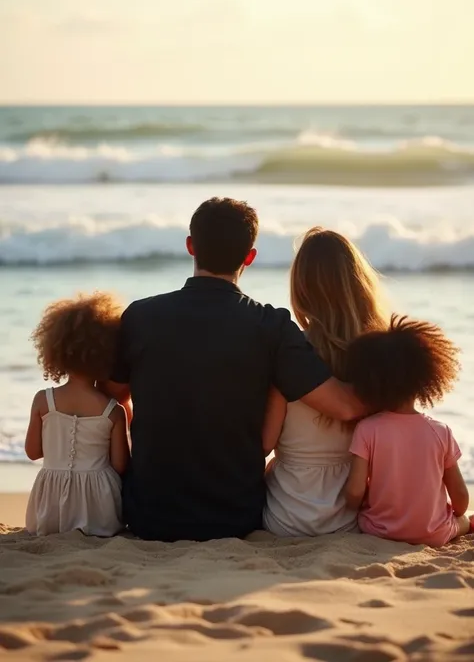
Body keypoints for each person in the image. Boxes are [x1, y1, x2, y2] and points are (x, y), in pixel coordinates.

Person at [104, 198, 366, 542]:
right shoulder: (271, 326)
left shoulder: (139, 317)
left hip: (148, 515)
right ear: (250, 257)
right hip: (233, 517)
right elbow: (344, 406)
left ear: (190, 246)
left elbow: (112, 397)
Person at [263, 228, 388, 536]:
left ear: (302, 289)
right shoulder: (380, 357)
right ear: (358, 286)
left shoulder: (290, 355)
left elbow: (264, 444)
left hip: (286, 517)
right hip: (350, 516)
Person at [344, 315, 473, 546]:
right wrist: (456, 513)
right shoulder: (440, 431)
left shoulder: (367, 429)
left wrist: (357, 505)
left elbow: (354, 491)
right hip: (434, 535)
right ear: (426, 380)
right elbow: (461, 499)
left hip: (379, 532)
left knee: (363, 517)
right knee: (462, 520)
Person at [25, 293, 130, 536]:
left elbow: (32, 452)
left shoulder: (43, 400)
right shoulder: (113, 410)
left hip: (49, 506)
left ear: (57, 351)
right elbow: (120, 465)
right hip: (98, 508)